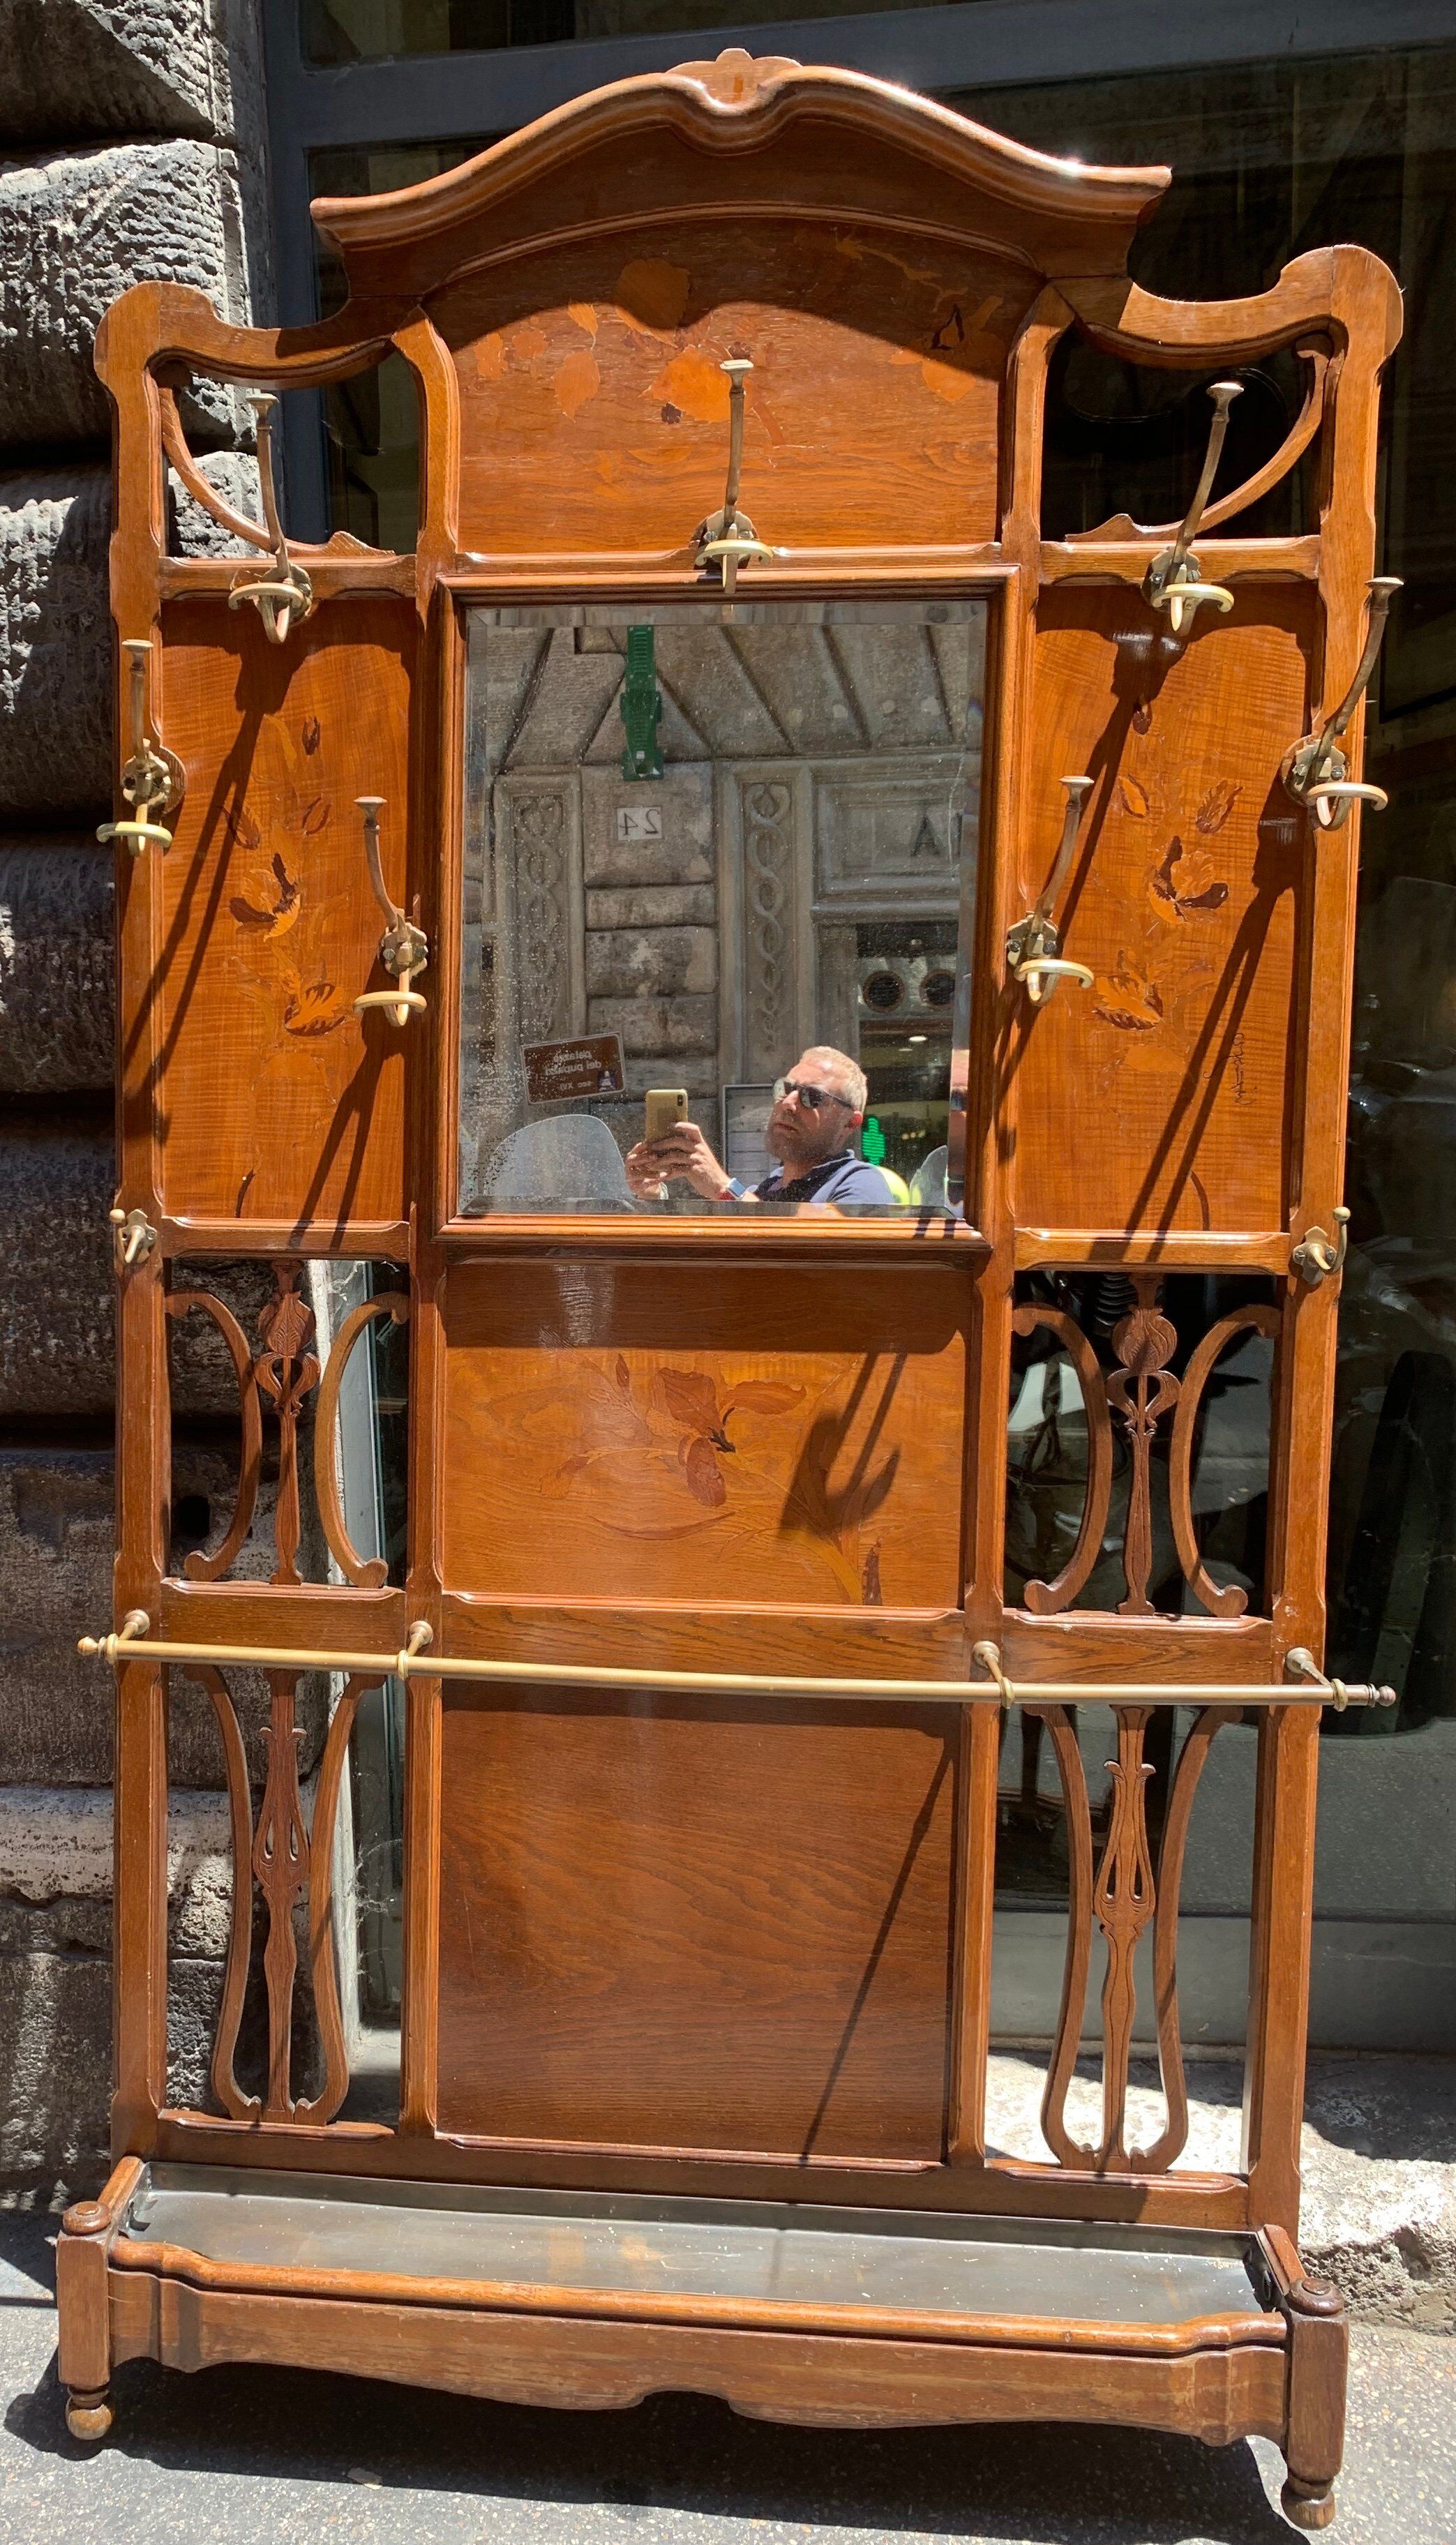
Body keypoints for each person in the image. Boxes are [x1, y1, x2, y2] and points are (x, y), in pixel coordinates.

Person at [625, 1046, 896, 1208]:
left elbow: (809, 1259)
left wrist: (723, 1188)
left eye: (811, 1097)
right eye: (786, 1088)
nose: (788, 1103)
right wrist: (653, 1196)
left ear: (850, 1122)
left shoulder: (861, 1185)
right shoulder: (769, 1188)